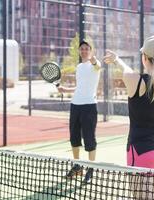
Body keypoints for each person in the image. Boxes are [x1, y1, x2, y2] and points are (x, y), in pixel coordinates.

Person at [103, 35, 154, 199]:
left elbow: (126, 70)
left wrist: (116, 59)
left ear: (144, 58)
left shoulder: (134, 81)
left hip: (141, 152)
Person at [58, 40, 101, 183]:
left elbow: (97, 64)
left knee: (89, 139)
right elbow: (79, 87)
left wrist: (94, 60)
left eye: (87, 49)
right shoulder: (79, 67)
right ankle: (77, 166)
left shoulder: (95, 66)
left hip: (89, 106)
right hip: (75, 105)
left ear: (91, 50)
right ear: (79, 51)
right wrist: (66, 89)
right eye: (82, 48)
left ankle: (90, 168)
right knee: (74, 138)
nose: (84, 51)